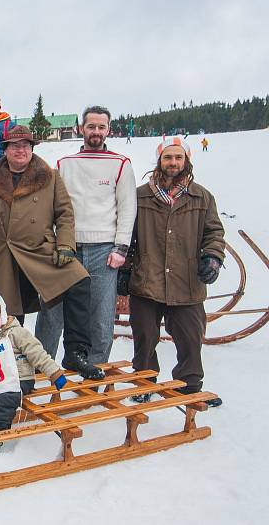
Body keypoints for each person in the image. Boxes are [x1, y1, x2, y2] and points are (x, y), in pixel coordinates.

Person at [0, 125, 104, 380]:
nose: (21, 150)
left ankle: (76, 352)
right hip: (4, 252)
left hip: (41, 250)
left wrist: (66, 245)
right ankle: (11, 368)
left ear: (32, 148)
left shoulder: (49, 175)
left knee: (79, 280)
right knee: (8, 314)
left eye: (26, 145)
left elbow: (65, 213)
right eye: (15, 146)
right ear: (5, 150)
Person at [119, 138, 224, 407]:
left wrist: (212, 257)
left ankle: (189, 386)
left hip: (186, 282)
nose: (173, 163)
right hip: (147, 280)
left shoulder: (202, 196)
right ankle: (144, 382)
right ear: (160, 161)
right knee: (144, 337)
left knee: (190, 337)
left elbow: (214, 233)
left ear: (186, 161)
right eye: (168, 158)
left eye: (178, 157)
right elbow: (127, 236)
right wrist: (125, 269)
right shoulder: (140, 195)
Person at [35, 106, 137, 364]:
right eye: (91, 126)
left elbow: (127, 207)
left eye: (101, 127)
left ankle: (93, 368)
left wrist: (121, 247)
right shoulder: (64, 165)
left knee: (101, 315)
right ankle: (39, 367)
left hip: (104, 249)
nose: (96, 132)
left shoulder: (120, 164)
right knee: (52, 310)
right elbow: (51, 206)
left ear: (108, 130)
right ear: (82, 129)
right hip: (68, 246)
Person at [0, 290, 67, 457]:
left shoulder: (16, 333)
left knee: (2, 399)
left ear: (3, 313)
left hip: (19, 379)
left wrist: (54, 373)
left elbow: (36, 352)